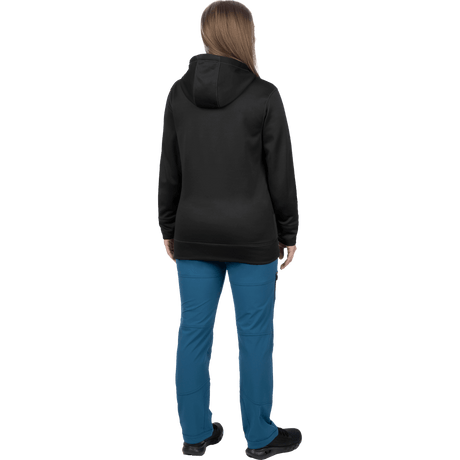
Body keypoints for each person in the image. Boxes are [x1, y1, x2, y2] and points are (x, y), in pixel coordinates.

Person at [157, 1, 302, 458]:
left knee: (193, 331)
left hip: (193, 231)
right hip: (252, 234)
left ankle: (195, 433)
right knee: (255, 337)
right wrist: (289, 231)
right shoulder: (264, 95)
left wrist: (168, 225)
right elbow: (280, 172)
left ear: (206, 33)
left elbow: (169, 168)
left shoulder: (178, 94)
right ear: (245, 34)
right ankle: (259, 438)